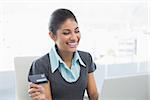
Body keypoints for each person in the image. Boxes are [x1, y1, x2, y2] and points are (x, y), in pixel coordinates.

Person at [28, 8, 99, 100]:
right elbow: (45, 98)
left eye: (76, 31)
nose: (74, 37)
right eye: (66, 33)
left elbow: (94, 95)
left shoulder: (86, 58)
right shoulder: (38, 65)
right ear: (52, 36)